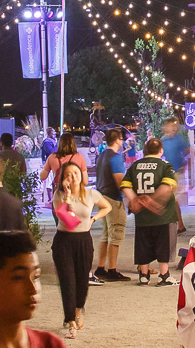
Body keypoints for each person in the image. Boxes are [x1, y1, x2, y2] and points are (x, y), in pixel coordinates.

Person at [50, 163, 109, 336]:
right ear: (63, 179)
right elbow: (67, 218)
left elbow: (107, 207)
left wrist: (93, 219)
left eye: (76, 173)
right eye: (68, 174)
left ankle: (77, 313)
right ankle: (70, 322)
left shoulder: (91, 194)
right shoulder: (59, 195)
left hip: (83, 240)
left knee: (82, 281)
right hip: (64, 241)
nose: (73, 177)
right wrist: (68, 196)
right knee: (67, 281)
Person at [121, 138, 180, 287]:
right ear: (161, 151)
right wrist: (151, 201)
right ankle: (164, 275)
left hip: (142, 216)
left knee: (143, 244)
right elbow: (167, 187)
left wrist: (135, 200)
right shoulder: (165, 166)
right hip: (163, 215)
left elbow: (125, 185)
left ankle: (144, 275)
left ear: (145, 151)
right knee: (163, 244)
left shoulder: (135, 166)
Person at [92, 130, 130, 283]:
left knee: (106, 234)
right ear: (117, 140)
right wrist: (129, 198)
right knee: (116, 232)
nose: (123, 142)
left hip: (102, 196)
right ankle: (112, 269)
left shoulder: (101, 156)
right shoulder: (116, 158)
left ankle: (101, 267)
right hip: (113, 198)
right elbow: (119, 181)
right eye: (121, 139)